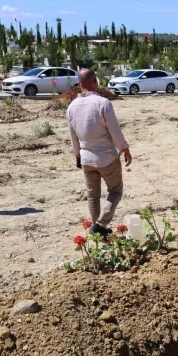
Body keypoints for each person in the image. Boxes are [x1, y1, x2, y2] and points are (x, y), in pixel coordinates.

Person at [67, 69, 133, 237]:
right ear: (95, 82)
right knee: (116, 191)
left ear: (79, 84)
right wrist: (124, 148)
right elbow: (115, 131)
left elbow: (73, 137)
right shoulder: (103, 103)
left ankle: (98, 231)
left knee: (93, 196)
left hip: (86, 159)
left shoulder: (71, 107)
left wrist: (77, 156)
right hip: (107, 158)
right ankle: (101, 224)